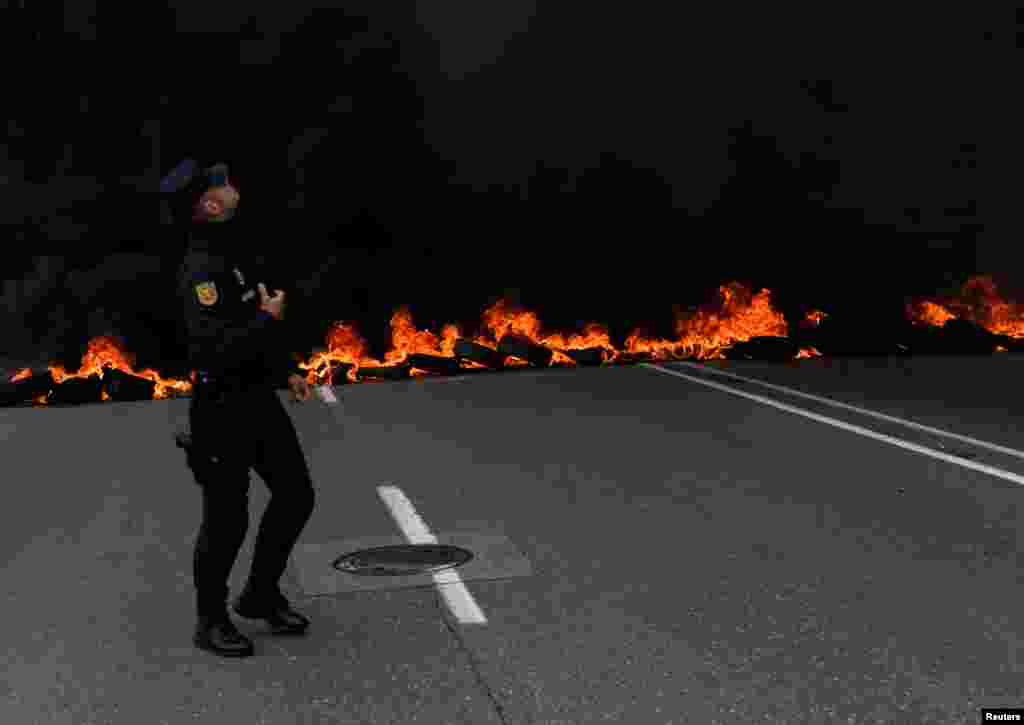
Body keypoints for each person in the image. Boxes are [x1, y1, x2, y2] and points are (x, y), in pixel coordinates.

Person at [162, 158, 317, 658]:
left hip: (256, 397)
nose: (233, 188)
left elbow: (251, 320)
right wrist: (269, 321)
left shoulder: (231, 251)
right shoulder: (200, 269)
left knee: (295, 495)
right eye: (223, 185)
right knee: (227, 518)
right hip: (220, 405)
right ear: (209, 204)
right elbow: (216, 346)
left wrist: (286, 369)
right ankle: (210, 620)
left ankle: (260, 593)